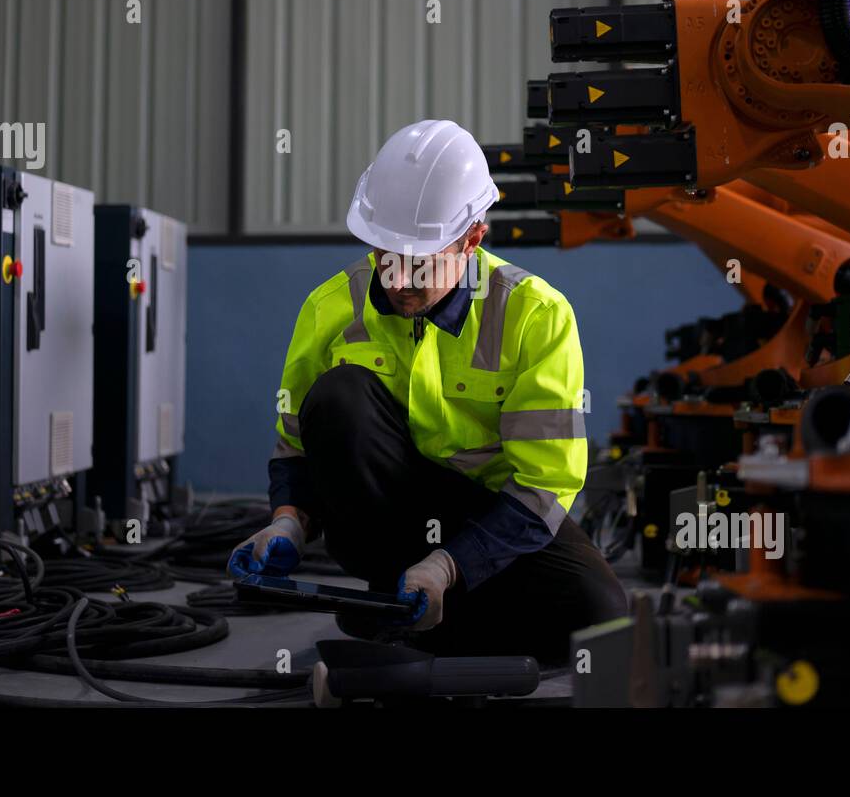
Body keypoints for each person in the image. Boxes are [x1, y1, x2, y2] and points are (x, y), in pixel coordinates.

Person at [228, 119, 626, 662]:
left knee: (600, 619)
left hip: (491, 515)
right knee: (340, 395)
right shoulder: (330, 308)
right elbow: (297, 441)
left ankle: (407, 614)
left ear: (472, 239)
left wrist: (451, 564)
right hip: (382, 516)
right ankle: (403, 598)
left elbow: (544, 485)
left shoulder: (536, 315)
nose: (395, 281)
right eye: (383, 254)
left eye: (419, 262)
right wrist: (287, 523)